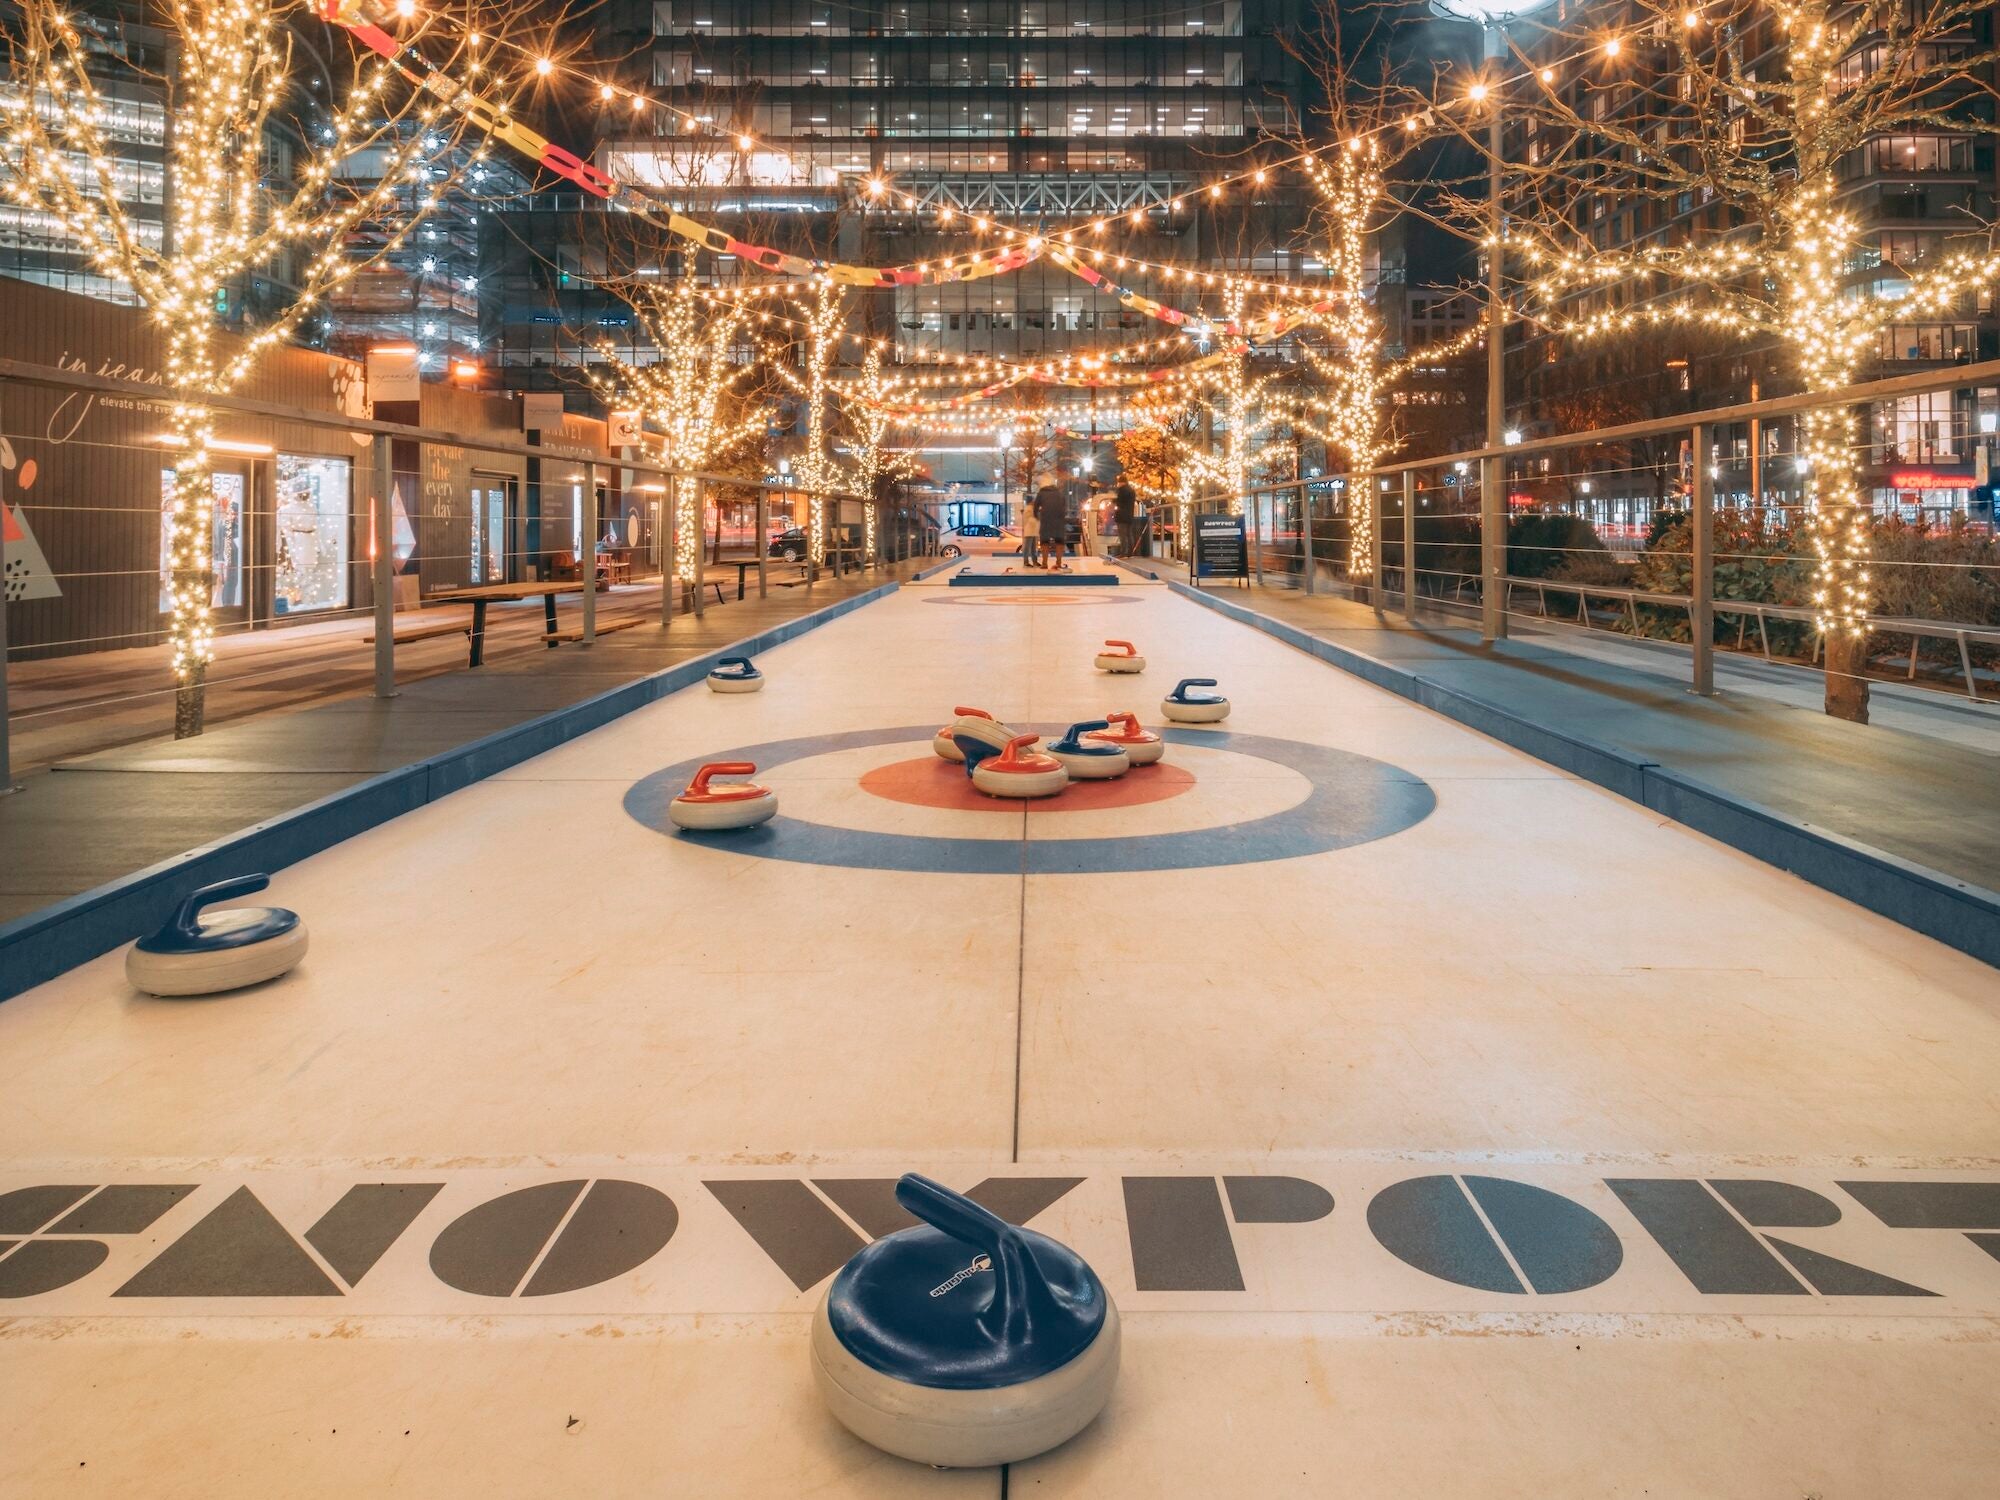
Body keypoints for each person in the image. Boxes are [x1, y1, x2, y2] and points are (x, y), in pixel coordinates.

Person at [1034, 483, 1066, 571]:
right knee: (1059, 541)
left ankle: (1044, 563)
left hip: (1046, 520)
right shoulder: (1060, 493)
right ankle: (1058, 563)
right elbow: (1064, 506)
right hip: (1058, 521)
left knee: (1045, 542)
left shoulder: (1041, 493)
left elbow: (1036, 506)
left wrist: (1036, 516)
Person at [1113, 482, 1138, 557]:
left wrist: (1114, 501)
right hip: (1129, 516)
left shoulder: (1122, 491)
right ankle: (1130, 552)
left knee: (1122, 535)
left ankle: (1123, 552)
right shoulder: (1132, 491)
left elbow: (1119, 502)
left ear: (1121, 482)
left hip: (1122, 516)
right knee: (1129, 534)